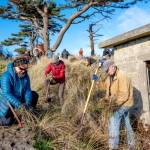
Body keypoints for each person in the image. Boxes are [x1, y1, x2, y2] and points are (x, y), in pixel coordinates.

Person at [101, 60, 135, 150]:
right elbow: (106, 88)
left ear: (113, 66)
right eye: (105, 71)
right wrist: (96, 79)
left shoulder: (122, 76)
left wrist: (113, 105)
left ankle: (113, 147)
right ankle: (132, 145)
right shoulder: (110, 76)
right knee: (127, 123)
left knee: (113, 120)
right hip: (119, 102)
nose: (106, 72)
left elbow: (124, 95)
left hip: (125, 103)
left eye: (107, 70)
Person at [0, 55, 39, 126]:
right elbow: (7, 94)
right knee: (7, 123)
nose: (23, 71)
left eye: (25, 69)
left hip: (20, 99)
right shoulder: (6, 76)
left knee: (34, 95)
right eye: (21, 69)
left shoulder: (25, 76)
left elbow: (27, 90)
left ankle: (28, 114)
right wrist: (20, 106)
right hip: (8, 101)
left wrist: (27, 103)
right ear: (15, 67)